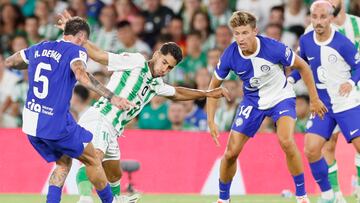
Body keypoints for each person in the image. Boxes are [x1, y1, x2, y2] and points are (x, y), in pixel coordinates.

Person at [57, 11, 231, 203]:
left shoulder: (156, 83)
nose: (164, 69)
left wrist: (206, 93)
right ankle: (84, 198)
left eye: (170, 67)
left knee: (114, 174)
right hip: (101, 116)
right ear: (156, 55)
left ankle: (115, 199)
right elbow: (99, 55)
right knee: (93, 158)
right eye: (164, 62)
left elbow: (177, 92)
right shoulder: (136, 62)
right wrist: (78, 38)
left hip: (114, 128)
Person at [5, 17, 133, 203]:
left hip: (31, 124)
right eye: (85, 40)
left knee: (63, 162)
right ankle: (111, 201)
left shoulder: (39, 48)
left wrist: (33, 60)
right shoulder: (76, 51)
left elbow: (10, 61)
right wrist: (112, 97)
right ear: (81, 36)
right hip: (55, 123)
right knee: (92, 159)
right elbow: (81, 74)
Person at [206, 11, 327, 203]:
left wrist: (314, 99)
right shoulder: (230, 54)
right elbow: (212, 88)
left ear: (255, 31)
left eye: (244, 32)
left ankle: (302, 196)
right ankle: (223, 200)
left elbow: (303, 66)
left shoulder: (273, 48)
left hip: (281, 97)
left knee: (286, 141)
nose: (240, 38)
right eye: (236, 33)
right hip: (253, 102)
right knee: (230, 153)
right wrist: (211, 120)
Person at [288, 0, 360, 201]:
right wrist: (289, 80)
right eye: (315, 17)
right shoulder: (306, 40)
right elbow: (302, 65)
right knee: (311, 150)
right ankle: (329, 195)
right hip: (323, 105)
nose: (318, 21)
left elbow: (358, 67)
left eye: (322, 17)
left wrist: (350, 82)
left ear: (330, 18)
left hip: (346, 102)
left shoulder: (342, 42)